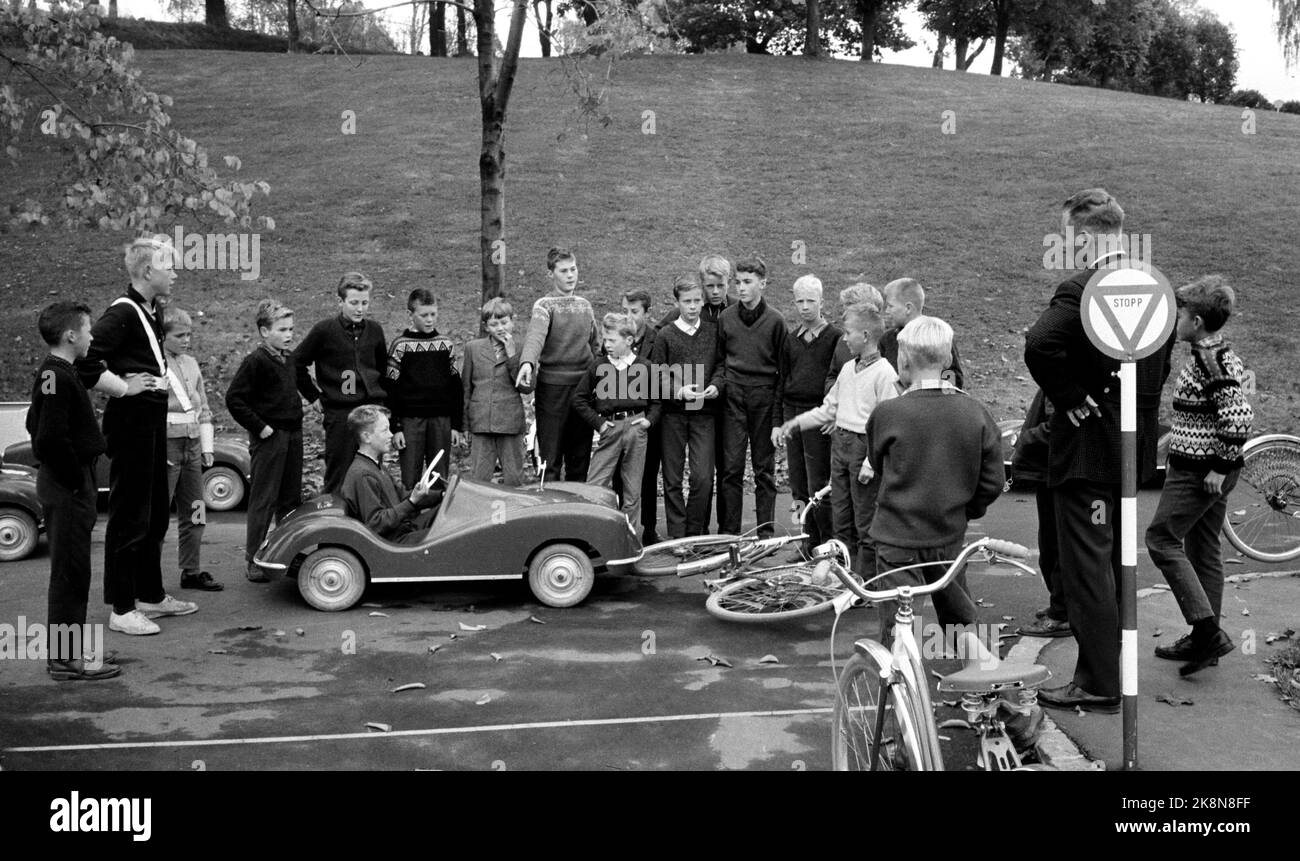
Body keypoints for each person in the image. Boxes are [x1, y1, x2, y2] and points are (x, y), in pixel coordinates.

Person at [1024, 188, 1173, 713]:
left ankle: (1100, 681)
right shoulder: (1156, 287)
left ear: (1086, 237)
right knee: (1114, 565)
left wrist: (1069, 397)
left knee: (1088, 569)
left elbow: (1039, 343)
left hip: (1086, 452)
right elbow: (1159, 367)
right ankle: (1112, 675)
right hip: (1133, 448)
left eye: (1070, 238)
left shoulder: (1083, 286)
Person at [78, 235, 197, 637]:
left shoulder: (149, 310)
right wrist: (121, 386)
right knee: (129, 513)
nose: (177, 273)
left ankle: (150, 594)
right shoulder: (123, 312)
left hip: (151, 422)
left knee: (153, 512)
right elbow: (86, 359)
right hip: (130, 425)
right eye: (170, 266)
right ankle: (122, 606)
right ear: (148, 272)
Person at [862, 316, 1003, 641]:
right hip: (948, 534)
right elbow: (992, 481)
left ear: (903, 359)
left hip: (897, 538)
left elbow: (878, 464)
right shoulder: (975, 413)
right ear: (949, 359)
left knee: (897, 627)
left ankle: (896, 685)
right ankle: (974, 681)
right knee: (959, 620)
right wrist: (965, 509)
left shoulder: (887, 413)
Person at [1145, 275, 1254, 676]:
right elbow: (1215, 410)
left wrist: (1219, 467)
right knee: (1203, 550)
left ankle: (1207, 631)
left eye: (1180, 315)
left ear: (1196, 322)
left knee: (1160, 539)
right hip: (1204, 467)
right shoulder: (1215, 354)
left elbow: (1238, 417)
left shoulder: (1210, 360)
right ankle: (1204, 639)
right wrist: (1177, 433)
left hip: (1199, 474)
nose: (1176, 321)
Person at [29, 302, 121, 680]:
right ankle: (65, 660)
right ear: (70, 335)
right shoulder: (55, 374)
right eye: (87, 329)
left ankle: (70, 648)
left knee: (75, 571)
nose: (92, 335)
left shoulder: (58, 373)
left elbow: (35, 421)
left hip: (69, 482)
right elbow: (49, 437)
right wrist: (74, 481)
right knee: (69, 574)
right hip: (66, 485)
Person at [777, 303, 897, 578]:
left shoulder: (885, 373)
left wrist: (871, 460)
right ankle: (843, 576)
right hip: (840, 446)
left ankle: (867, 582)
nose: (844, 338)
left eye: (849, 333)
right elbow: (829, 408)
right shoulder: (847, 369)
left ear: (865, 335)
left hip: (862, 447)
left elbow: (888, 423)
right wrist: (796, 422)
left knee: (864, 519)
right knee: (841, 517)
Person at [226, 299, 304, 583]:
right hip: (270, 439)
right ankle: (254, 559)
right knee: (264, 500)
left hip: (293, 435)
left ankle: (287, 554)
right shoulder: (256, 361)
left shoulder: (289, 358)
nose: (288, 334)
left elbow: (299, 384)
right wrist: (260, 428)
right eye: (282, 329)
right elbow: (234, 399)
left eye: (291, 329)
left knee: (291, 500)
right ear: (264, 331)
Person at [293, 272, 388, 495]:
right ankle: (336, 522)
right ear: (340, 302)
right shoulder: (324, 330)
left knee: (372, 472)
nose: (360, 309)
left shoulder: (374, 330)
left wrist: (382, 402)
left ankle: (368, 522)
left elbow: (382, 370)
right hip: (340, 414)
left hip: (371, 414)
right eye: (354, 303)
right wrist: (313, 396)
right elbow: (296, 363)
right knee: (340, 472)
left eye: (365, 303)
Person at [516, 247, 600, 482]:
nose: (570, 275)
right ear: (551, 274)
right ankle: (550, 510)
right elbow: (535, 336)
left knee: (580, 458)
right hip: (552, 390)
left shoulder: (585, 305)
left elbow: (595, 346)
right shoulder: (544, 305)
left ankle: (575, 513)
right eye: (563, 271)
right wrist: (527, 363)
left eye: (573, 269)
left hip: (583, 389)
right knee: (549, 460)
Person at [649, 275, 723, 538]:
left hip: (704, 413)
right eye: (687, 302)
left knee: (703, 477)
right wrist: (677, 391)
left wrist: (716, 384)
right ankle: (678, 536)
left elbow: (721, 366)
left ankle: (695, 533)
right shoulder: (666, 335)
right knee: (672, 478)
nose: (692, 307)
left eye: (696, 301)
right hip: (673, 415)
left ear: (703, 302)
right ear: (677, 302)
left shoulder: (713, 332)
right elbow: (657, 373)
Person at [717, 256, 786, 539]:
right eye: (738, 282)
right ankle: (729, 533)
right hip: (733, 398)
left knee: (763, 470)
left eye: (748, 282)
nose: (741, 288)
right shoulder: (726, 318)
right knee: (731, 468)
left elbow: (783, 372)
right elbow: (721, 360)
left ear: (762, 284)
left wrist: (777, 415)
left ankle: (765, 533)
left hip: (764, 398)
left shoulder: (775, 321)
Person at [574, 313, 662, 528]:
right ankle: (592, 533)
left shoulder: (644, 366)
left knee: (632, 489)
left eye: (612, 340)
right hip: (610, 428)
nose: (607, 345)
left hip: (635, 428)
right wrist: (599, 423)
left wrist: (648, 422)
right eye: (605, 340)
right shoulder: (599, 366)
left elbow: (657, 401)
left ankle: (628, 534)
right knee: (595, 484)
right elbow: (579, 399)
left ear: (629, 341)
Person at [774, 275, 840, 552]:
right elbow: (781, 382)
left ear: (821, 302)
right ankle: (806, 541)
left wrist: (835, 415)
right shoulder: (790, 340)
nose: (804, 307)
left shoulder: (835, 338)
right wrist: (778, 423)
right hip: (793, 413)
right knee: (798, 485)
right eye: (799, 301)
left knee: (819, 485)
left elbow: (840, 380)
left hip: (819, 416)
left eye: (810, 301)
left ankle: (827, 546)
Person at [160, 307, 221, 592]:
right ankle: (147, 578)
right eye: (179, 335)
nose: (186, 340)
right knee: (158, 515)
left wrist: (207, 447)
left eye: (189, 335)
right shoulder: (155, 365)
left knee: (195, 511)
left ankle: (191, 571)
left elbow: (204, 406)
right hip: (167, 445)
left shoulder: (191, 363)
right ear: (163, 336)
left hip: (193, 445)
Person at [385, 288, 465, 489]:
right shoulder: (400, 346)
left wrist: (456, 425)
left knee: (439, 476)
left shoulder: (445, 345)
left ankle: (437, 516)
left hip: (441, 420)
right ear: (410, 315)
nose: (430, 320)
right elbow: (391, 391)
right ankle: (409, 516)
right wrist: (395, 428)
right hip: (411, 421)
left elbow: (456, 388)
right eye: (424, 315)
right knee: (410, 476)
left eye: (433, 314)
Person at [1010, 389, 1070, 638]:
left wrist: (1025, 439)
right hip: (1050, 470)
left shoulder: (1062, 373)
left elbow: (1061, 424)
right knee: (1050, 546)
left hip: (1058, 470)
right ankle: (1061, 607)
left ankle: (1061, 613)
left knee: (1056, 547)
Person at [338, 404, 443, 542]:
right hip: (392, 542)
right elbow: (376, 524)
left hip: (402, 529)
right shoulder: (363, 474)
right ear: (366, 437)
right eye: (385, 430)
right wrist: (412, 502)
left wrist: (442, 495)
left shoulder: (375, 466)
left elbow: (403, 495)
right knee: (449, 535)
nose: (391, 435)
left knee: (449, 513)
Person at [462, 298, 528, 486]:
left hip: (510, 422)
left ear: (512, 321)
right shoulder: (472, 348)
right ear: (486, 326)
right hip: (481, 421)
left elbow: (526, 387)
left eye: (504, 322)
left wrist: (512, 355)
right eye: (494, 324)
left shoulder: (522, 348)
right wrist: (465, 425)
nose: (500, 328)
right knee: (479, 479)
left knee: (514, 477)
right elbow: (466, 388)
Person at [620, 289, 663, 543]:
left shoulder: (657, 340)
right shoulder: (615, 337)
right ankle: (622, 527)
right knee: (619, 475)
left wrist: (650, 417)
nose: (629, 317)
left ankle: (649, 528)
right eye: (625, 310)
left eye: (634, 312)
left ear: (647, 313)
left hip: (647, 418)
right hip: (620, 418)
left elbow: (659, 382)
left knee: (647, 475)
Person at [881, 278, 965, 389]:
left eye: (890, 306)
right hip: (897, 404)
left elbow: (953, 376)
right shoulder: (887, 340)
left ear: (908, 308)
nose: (887, 311)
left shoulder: (937, 336)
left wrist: (944, 397)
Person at [823, 282, 885, 393]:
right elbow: (831, 377)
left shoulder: (889, 343)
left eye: (850, 311)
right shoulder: (843, 342)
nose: (844, 315)